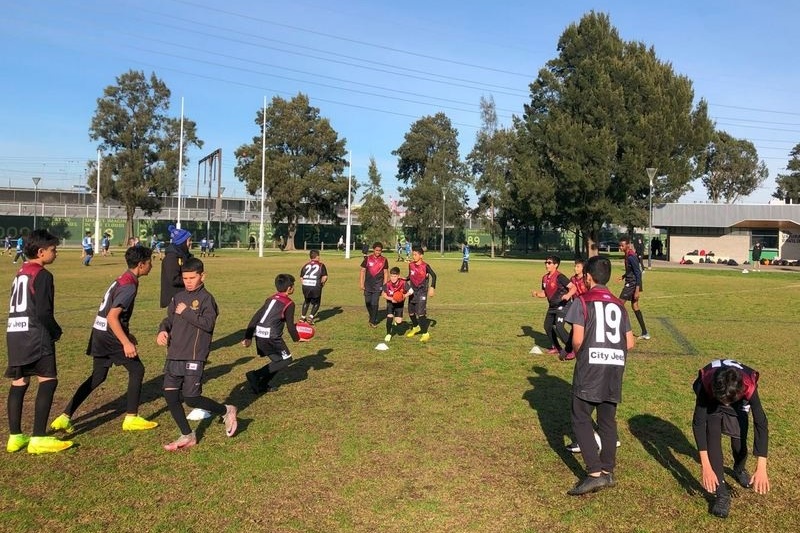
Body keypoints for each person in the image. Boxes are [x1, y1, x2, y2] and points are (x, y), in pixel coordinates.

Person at [50, 246, 158, 435]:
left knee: (98, 376)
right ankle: (131, 417)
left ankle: (64, 417)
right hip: (109, 335)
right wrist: (125, 342)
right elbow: (113, 316)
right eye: (150, 262)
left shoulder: (122, 278)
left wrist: (127, 334)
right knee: (137, 369)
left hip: (99, 334)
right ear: (141, 265)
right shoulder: (129, 286)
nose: (152, 265)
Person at [564, 255, 634, 495]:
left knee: (580, 417)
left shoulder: (582, 302)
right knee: (607, 420)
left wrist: (577, 353)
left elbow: (577, 340)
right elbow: (631, 342)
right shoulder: (618, 305)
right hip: (615, 367)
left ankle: (594, 473)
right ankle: (608, 471)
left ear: (588, 277)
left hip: (591, 368)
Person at [157, 257, 237, 451]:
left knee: (191, 398)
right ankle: (187, 434)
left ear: (202, 276)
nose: (188, 281)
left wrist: (186, 312)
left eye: (192, 277)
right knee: (170, 395)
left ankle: (226, 410)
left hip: (194, 355)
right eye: (185, 278)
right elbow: (169, 320)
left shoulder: (207, 299)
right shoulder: (177, 297)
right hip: (174, 354)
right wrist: (162, 330)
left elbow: (208, 324)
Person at [5, 230, 73, 454]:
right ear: (41, 252)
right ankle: (38, 438)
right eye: (53, 250)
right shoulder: (43, 274)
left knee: (19, 382)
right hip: (35, 334)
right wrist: (56, 331)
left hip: (15, 332)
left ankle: (15, 436)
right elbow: (44, 312)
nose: (56, 253)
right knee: (48, 381)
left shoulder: (21, 271)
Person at [692, 359, 770, 518]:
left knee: (739, 443)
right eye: (724, 401)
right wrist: (706, 466)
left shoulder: (748, 386)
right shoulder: (706, 385)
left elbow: (760, 423)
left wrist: (761, 466)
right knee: (712, 434)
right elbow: (698, 424)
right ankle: (721, 494)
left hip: (737, 398)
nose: (725, 405)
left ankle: (739, 468)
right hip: (713, 398)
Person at [242, 274, 309, 394]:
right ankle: (254, 375)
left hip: (260, 334)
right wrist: (297, 338)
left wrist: (248, 336)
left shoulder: (270, 298)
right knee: (287, 360)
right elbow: (290, 326)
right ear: (289, 288)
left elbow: (256, 317)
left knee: (278, 361)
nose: (294, 288)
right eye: (293, 286)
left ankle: (262, 385)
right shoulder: (289, 303)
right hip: (272, 337)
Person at [531, 255, 575, 355]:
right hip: (552, 306)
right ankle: (557, 347)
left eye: (549, 263)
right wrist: (537, 294)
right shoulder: (544, 278)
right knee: (547, 326)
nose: (547, 264)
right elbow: (545, 293)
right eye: (546, 263)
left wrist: (568, 295)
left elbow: (573, 287)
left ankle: (571, 349)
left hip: (563, 305)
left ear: (556, 265)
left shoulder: (560, 277)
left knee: (559, 326)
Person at [618, 237, 649, 340]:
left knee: (618, 305)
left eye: (622, 245)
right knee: (635, 306)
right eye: (620, 245)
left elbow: (638, 273)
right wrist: (623, 276)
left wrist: (637, 290)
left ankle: (620, 330)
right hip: (630, 282)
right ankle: (645, 332)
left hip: (632, 284)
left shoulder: (631, 256)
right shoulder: (627, 255)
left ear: (627, 245)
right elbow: (630, 270)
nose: (620, 247)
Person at [404, 246, 437, 342]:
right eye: (413, 254)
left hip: (422, 292)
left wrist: (432, 287)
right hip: (412, 292)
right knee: (410, 311)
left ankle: (425, 333)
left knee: (421, 313)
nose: (413, 256)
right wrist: (403, 279)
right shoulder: (410, 265)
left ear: (421, 255)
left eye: (415, 254)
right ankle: (415, 327)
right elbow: (410, 276)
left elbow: (434, 276)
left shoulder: (425, 266)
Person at [160, 224, 193, 308]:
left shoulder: (184, 256)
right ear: (182, 242)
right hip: (175, 299)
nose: (191, 243)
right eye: (189, 240)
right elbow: (173, 279)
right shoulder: (171, 258)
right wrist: (192, 280)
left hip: (184, 297)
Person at [360, 242, 389, 328]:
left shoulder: (384, 260)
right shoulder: (367, 259)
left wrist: (384, 285)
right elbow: (362, 271)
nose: (378, 252)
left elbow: (386, 273)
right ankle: (372, 315)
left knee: (374, 302)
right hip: (368, 284)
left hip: (378, 285)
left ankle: (373, 321)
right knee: (368, 302)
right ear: (373, 250)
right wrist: (361, 283)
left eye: (380, 251)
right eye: (376, 250)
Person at [382, 266, 413, 342]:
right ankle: (388, 334)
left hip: (399, 305)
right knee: (389, 317)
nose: (393, 278)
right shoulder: (388, 284)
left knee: (399, 322)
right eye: (392, 276)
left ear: (398, 276)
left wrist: (403, 296)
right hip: (390, 303)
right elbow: (384, 294)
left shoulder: (403, 283)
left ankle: (397, 322)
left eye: (395, 276)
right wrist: (392, 299)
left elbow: (411, 291)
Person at [299, 250, 328, 325]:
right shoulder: (321, 265)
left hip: (305, 285)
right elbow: (325, 277)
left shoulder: (305, 265)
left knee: (306, 301)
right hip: (315, 285)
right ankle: (310, 318)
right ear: (317, 256)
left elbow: (301, 277)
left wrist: (305, 284)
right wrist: (322, 284)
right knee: (317, 302)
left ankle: (302, 317)